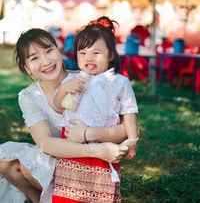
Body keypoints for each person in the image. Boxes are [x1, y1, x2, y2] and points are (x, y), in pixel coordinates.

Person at [0, 28, 129, 203]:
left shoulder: (86, 80)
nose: (45, 61)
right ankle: (39, 199)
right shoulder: (29, 95)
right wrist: (96, 150)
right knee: (5, 159)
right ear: (27, 68)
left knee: (27, 166)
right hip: (60, 155)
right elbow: (45, 143)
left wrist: (91, 139)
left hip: (89, 162)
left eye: (49, 50)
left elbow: (124, 128)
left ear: (59, 50)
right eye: (34, 58)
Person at [52, 16, 139, 202]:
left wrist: (132, 139)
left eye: (96, 53)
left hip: (103, 144)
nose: (88, 58)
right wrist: (62, 91)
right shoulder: (73, 79)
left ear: (111, 55)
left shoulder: (119, 82)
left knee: (101, 194)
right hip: (72, 144)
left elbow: (129, 111)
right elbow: (59, 106)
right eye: (82, 53)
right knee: (69, 194)